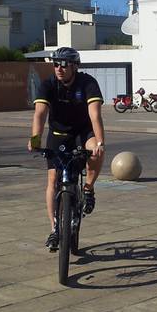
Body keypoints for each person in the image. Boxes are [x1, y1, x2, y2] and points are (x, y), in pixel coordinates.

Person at [29, 47, 106, 251]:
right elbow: (40, 114)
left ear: (74, 66)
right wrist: (35, 140)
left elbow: (95, 116)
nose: (59, 68)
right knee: (53, 181)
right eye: (55, 64)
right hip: (58, 135)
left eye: (64, 64)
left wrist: (100, 143)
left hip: (83, 132)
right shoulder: (48, 85)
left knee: (96, 151)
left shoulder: (87, 83)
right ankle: (55, 228)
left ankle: (88, 188)